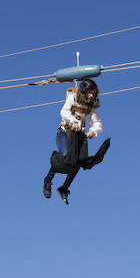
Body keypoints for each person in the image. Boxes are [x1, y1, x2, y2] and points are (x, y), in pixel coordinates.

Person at [37, 75, 111, 204]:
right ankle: (48, 180)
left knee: (79, 161)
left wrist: (93, 131)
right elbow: (64, 111)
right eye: (89, 93)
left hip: (79, 135)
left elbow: (97, 122)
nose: (91, 96)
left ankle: (64, 188)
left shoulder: (91, 107)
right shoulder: (73, 98)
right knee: (66, 156)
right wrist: (73, 120)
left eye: (93, 94)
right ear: (83, 91)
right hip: (65, 132)